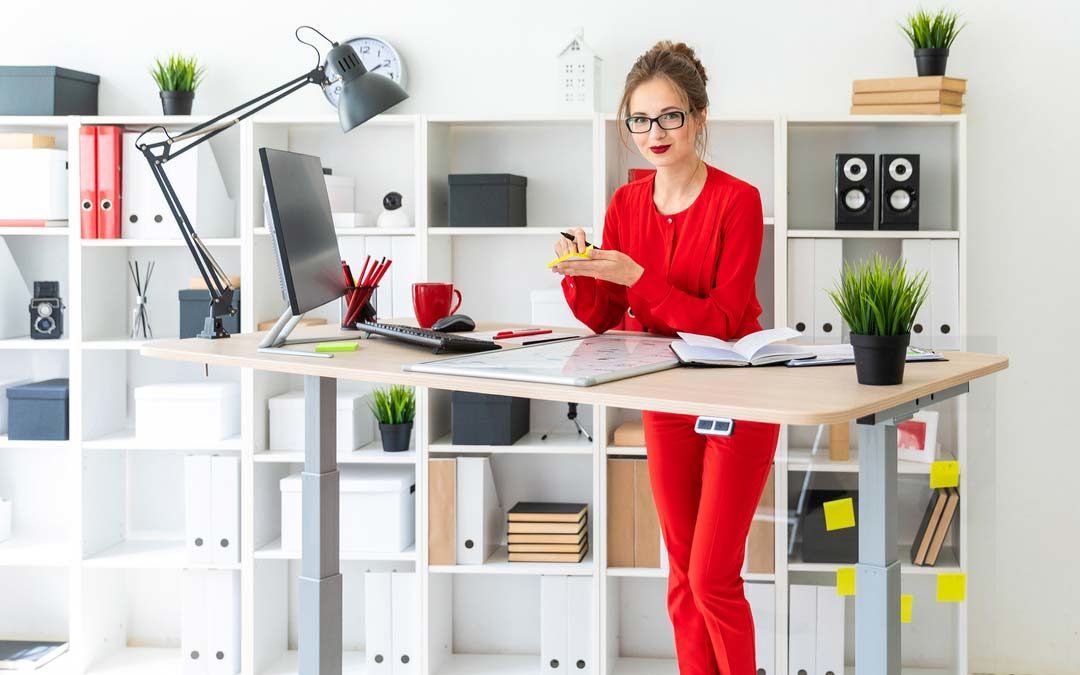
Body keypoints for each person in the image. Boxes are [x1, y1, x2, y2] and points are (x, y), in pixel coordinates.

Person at [551, 40, 779, 675]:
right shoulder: (626, 204)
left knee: (712, 577)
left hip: (737, 396)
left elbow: (726, 320)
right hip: (665, 396)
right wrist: (580, 270)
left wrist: (637, 277)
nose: (655, 133)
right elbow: (603, 316)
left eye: (670, 116)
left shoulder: (738, 200)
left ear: (699, 119)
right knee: (680, 573)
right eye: (640, 120)